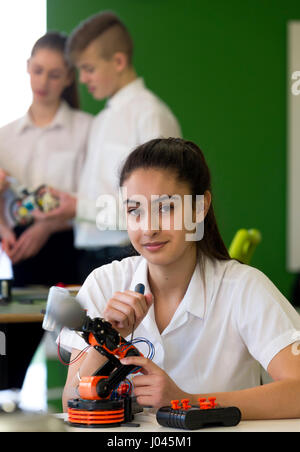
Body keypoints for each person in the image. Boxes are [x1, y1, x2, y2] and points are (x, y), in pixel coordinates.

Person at [59, 137, 300, 419]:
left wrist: (186, 401)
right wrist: (105, 341)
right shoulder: (104, 283)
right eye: (134, 210)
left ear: (200, 207)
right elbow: (70, 404)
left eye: (166, 208)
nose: (149, 228)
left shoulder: (243, 288)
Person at [36, 11, 182, 283]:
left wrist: (77, 207)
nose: (82, 79)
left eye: (88, 69)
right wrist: (63, 209)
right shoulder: (102, 120)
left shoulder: (151, 115)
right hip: (87, 260)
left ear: (118, 61)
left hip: (126, 258)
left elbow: (156, 210)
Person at [0, 31, 92, 390]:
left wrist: (46, 227)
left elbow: (90, 197)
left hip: (71, 251)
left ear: (69, 77)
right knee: (9, 362)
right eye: (38, 71)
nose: (44, 82)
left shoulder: (87, 130)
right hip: (22, 255)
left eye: (55, 74)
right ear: (27, 68)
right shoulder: (5, 136)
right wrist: (5, 231)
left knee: (87, 353)